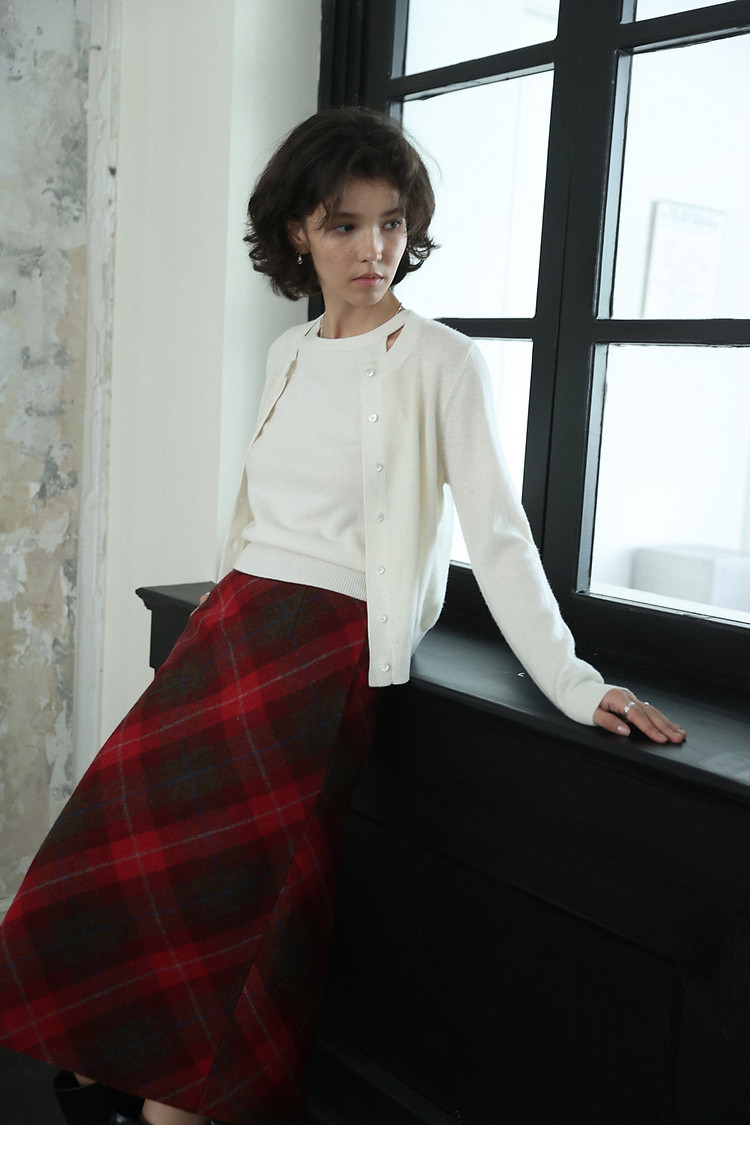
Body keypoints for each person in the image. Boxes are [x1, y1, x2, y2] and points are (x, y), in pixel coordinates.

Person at [0, 107, 686, 1127]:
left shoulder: (441, 360)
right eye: (345, 225)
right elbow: (259, 512)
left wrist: (578, 682)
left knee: (245, 884)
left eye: (392, 223)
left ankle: (183, 1105)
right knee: (115, 841)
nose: (375, 249)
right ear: (297, 233)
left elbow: (499, 535)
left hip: (322, 646)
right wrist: (218, 611)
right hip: (234, 626)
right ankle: (114, 1062)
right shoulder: (289, 351)